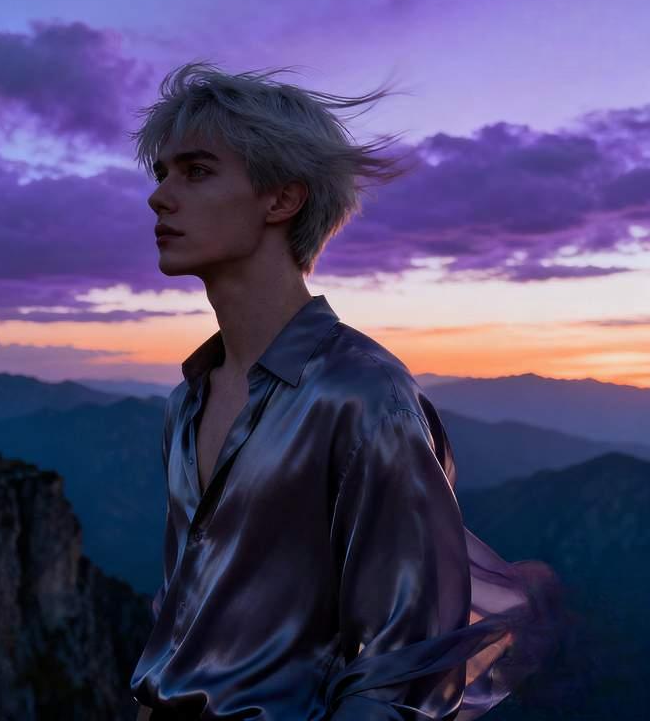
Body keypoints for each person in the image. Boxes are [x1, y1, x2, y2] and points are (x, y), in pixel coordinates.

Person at [128, 62, 567, 720]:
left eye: (195, 171)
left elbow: (404, 667)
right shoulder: (187, 400)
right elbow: (185, 605)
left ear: (281, 200)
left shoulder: (365, 397)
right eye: (161, 173)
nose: (160, 196)